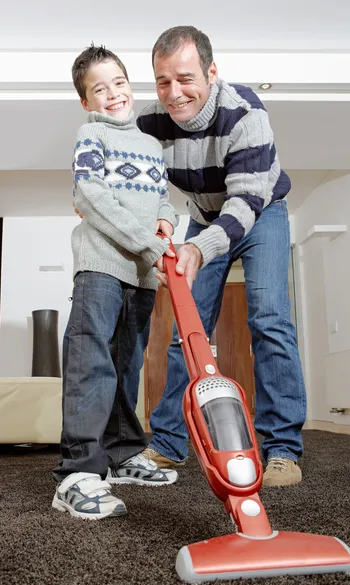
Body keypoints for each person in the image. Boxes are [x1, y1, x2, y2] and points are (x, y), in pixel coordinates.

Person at [137, 26, 307, 487]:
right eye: (163, 81)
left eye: (186, 78)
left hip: (261, 211)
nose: (174, 93)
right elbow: (133, 177)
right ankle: (170, 443)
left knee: (269, 318)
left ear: (212, 72)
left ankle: (283, 450)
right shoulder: (149, 123)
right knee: (186, 334)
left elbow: (245, 203)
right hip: (204, 214)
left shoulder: (246, 113)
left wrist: (198, 246)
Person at [52, 44, 180, 520]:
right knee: (92, 364)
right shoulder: (92, 136)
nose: (112, 95)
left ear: (131, 84)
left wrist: (165, 223)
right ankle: (77, 472)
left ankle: (123, 454)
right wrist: (148, 243)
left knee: (126, 364)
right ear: (86, 102)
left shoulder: (149, 143)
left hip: (142, 275)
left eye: (119, 83)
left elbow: (161, 199)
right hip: (103, 264)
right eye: (98, 90)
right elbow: (90, 196)